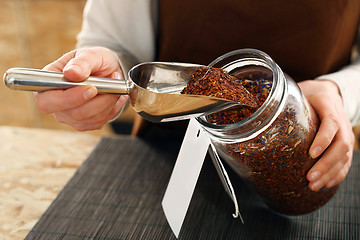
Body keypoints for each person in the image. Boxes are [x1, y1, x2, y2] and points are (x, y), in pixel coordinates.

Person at [34, 0, 360, 192]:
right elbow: (115, 41)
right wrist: (108, 74)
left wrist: (338, 90)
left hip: (303, 152)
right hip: (165, 157)